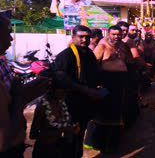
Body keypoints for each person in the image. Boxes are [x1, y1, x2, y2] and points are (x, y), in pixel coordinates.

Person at [0, 16, 51, 157]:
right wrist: (20, 97)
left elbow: (10, 101)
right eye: (8, 33)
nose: (11, 39)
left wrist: (26, 91)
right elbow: (2, 141)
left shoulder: (3, 62)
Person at [55, 25, 101, 158]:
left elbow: (93, 74)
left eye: (87, 37)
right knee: (71, 136)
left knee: (80, 134)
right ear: (73, 37)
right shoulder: (66, 55)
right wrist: (84, 89)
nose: (84, 40)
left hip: (86, 101)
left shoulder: (89, 54)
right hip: (71, 102)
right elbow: (62, 80)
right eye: (81, 37)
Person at [84, 25, 131, 153]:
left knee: (117, 113)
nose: (116, 36)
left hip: (120, 84)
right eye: (114, 34)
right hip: (106, 83)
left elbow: (129, 61)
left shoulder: (122, 47)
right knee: (103, 114)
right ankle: (100, 144)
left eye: (119, 34)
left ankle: (113, 144)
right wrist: (97, 83)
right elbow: (92, 66)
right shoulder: (102, 46)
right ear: (108, 34)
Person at [30, 72, 79, 158]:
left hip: (58, 147)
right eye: (63, 90)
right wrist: (59, 130)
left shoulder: (61, 103)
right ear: (52, 89)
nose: (65, 93)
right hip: (44, 151)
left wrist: (69, 129)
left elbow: (63, 124)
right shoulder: (42, 107)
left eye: (67, 90)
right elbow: (32, 135)